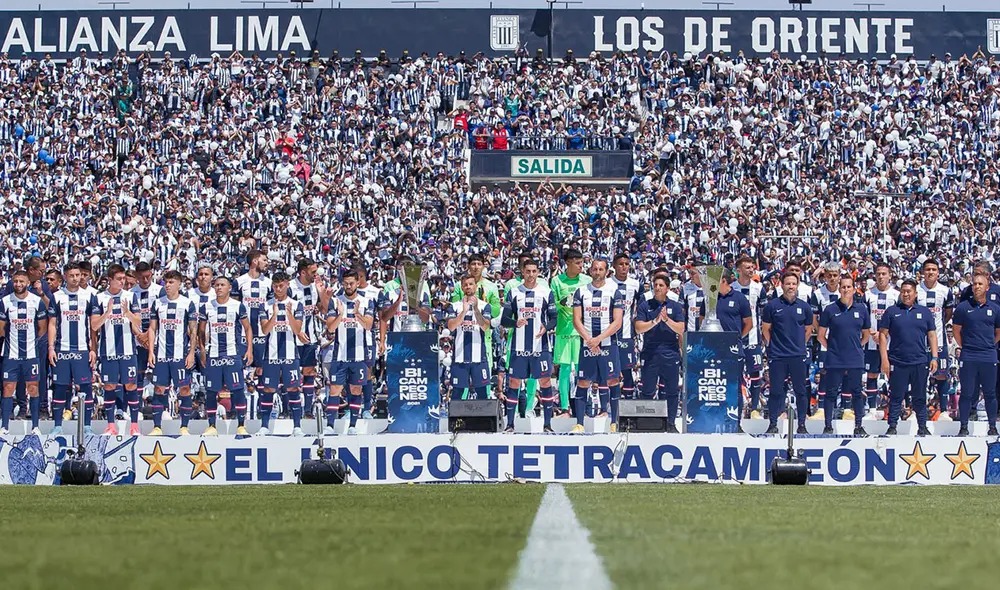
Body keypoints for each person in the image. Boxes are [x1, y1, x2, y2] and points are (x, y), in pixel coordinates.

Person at [499, 260, 557, 432]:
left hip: (541, 346)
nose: (531, 274)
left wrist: (546, 327)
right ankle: (510, 424)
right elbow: (504, 320)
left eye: (534, 271)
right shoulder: (514, 292)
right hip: (519, 347)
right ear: (522, 272)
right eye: (528, 271)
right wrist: (515, 322)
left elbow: (554, 318)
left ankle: (547, 425)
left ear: (538, 271)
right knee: (514, 383)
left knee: (545, 381)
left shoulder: (546, 292)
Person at [878, 279, 937, 436]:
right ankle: (892, 426)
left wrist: (935, 357)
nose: (905, 294)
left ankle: (922, 427)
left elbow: (932, 335)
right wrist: (884, 359)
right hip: (898, 361)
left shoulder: (925, 312)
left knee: (919, 396)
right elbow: (882, 335)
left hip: (919, 361)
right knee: (896, 396)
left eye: (909, 291)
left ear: (915, 293)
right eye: (903, 291)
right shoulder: (891, 311)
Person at [571, 259, 623, 433]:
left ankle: (614, 422)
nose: (597, 271)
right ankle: (579, 424)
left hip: (608, 343)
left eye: (601, 269)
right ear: (590, 271)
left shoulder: (614, 292)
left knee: (613, 380)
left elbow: (618, 321)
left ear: (606, 271)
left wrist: (598, 339)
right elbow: (576, 320)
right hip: (587, 344)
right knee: (584, 382)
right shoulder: (581, 292)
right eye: (594, 269)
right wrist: (589, 340)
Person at [91, 264, 143, 435]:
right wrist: (107, 313)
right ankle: (110, 425)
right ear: (110, 280)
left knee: (130, 385)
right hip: (108, 351)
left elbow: (137, 322)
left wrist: (127, 312)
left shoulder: (130, 296)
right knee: (110, 385)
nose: (123, 282)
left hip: (128, 350)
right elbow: (94, 325)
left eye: (124, 278)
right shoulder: (98, 298)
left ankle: (134, 426)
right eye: (119, 279)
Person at [198, 276, 253, 436]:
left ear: (229, 287)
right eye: (216, 285)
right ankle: (211, 426)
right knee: (211, 391)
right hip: (213, 355)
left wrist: (249, 350)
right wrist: (202, 350)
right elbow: (201, 331)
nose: (219, 288)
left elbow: (248, 328)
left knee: (238, 390)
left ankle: (241, 425)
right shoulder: (207, 307)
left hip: (232, 354)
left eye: (222, 285)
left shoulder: (238, 306)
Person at [761, 272, 814, 434]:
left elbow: (808, 330)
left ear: (797, 286)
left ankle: (802, 425)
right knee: (776, 391)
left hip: (797, 356)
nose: (791, 287)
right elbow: (766, 330)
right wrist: (775, 345)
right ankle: (772, 424)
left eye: (793, 284)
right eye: (788, 284)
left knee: (801, 391)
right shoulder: (772, 306)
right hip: (777, 356)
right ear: (781, 285)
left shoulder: (804, 307)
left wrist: (799, 345)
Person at [817, 275, 871, 436]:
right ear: (839, 289)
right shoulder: (830, 309)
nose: (846, 290)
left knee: (856, 392)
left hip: (855, 358)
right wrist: (833, 348)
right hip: (835, 358)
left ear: (854, 289)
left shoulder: (861, 309)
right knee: (831, 392)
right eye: (843, 287)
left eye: (849, 287)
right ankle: (828, 426)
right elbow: (820, 335)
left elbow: (866, 335)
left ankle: (859, 426)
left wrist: (856, 346)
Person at [49, 262, 99, 434]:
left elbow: (93, 326)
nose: (76, 278)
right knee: (60, 387)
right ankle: (57, 426)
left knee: (85, 387)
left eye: (78, 275)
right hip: (61, 349)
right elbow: (53, 324)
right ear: (65, 276)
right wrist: (50, 348)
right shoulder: (56, 296)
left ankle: (86, 426)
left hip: (82, 349)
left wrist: (93, 349)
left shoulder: (90, 296)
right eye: (72, 275)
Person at [147, 270, 198, 436]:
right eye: (165, 282)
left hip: (179, 354)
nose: (167, 286)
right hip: (161, 354)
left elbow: (193, 330)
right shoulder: (158, 303)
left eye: (171, 283)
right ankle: (157, 427)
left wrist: (191, 353)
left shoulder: (187, 303)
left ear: (179, 284)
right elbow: (152, 328)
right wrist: (150, 352)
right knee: (159, 388)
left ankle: (184, 426)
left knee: (184, 389)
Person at [324, 270, 374, 435]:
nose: (348, 286)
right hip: (339, 355)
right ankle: (330, 425)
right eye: (345, 283)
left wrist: (357, 313)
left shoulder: (366, 301)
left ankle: (353, 425)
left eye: (351, 283)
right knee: (334, 390)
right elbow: (330, 328)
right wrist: (341, 314)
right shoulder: (335, 301)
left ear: (358, 283)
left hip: (359, 355)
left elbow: (368, 325)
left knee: (356, 390)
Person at [634, 274, 686, 432]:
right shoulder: (645, 305)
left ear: (668, 288)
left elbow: (681, 329)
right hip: (650, 353)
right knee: (648, 390)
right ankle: (648, 423)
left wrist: (666, 320)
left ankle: (670, 423)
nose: (657, 288)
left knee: (671, 391)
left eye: (661, 285)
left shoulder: (675, 307)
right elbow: (638, 328)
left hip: (670, 352)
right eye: (655, 284)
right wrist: (655, 321)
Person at [259, 272, 307, 436]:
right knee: (268, 389)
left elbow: (297, 329)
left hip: (290, 354)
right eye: (275, 286)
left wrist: (288, 314)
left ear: (287, 285)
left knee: (293, 387)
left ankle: (297, 427)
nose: (278, 289)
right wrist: (274, 314)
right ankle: (264, 426)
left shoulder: (296, 305)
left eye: (281, 285)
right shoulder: (265, 305)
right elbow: (265, 330)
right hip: (270, 355)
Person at [952, 270, 1000, 436]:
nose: (977, 286)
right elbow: (956, 331)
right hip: (969, 355)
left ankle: (992, 427)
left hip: (988, 355)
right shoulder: (963, 308)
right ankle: (963, 427)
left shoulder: (995, 309)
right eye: (974, 284)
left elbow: (998, 333)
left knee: (990, 393)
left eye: (980, 284)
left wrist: (987, 345)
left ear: (987, 287)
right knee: (966, 392)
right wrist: (966, 346)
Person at [700, 268, 752, 420]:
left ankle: (736, 421)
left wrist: (737, 339)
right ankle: (712, 419)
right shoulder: (709, 298)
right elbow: (702, 319)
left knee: (734, 386)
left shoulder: (739, 298)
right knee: (712, 385)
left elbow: (748, 323)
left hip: (733, 349)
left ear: (723, 281)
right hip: (712, 349)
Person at [0, 270, 48, 435]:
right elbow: (1, 329)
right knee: (7, 387)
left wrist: (31, 343)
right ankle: (4, 427)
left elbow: (42, 328)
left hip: (31, 353)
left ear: (28, 282)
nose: (18, 284)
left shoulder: (36, 301)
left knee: (33, 387)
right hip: (10, 353)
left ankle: (35, 427)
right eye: (16, 281)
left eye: (21, 281)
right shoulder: (5, 302)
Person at [450, 253, 502, 398]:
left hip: (483, 336)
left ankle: (482, 417)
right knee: (461, 386)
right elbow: (454, 306)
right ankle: (461, 417)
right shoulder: (457, 286)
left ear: (484, 265)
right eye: (473, 264)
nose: (476, 267)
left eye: (479, 264)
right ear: (468, 266)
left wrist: (482, 303)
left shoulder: (491, 286)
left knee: (483, 383)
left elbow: (496, 310)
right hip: (462, 336)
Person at [550, 249, 591, 417]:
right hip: (564, 330)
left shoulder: (587, 280)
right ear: (568, 263)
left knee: (584, 370)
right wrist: (562, 303)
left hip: (584, 331)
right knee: (565, 369)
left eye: (582, 262)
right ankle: (565, 408)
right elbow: (551, 306)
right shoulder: (557, 281)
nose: (581, 266)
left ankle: (584, 407)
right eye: (578, 263)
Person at [289, 258, 331, 417]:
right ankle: (292, 411)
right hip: (292, 338)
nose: (316, 274)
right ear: (303, 272)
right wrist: (297, 330)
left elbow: (324, 309)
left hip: (311, 337)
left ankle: (307, 410)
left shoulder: (316, 287)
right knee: (292, 375)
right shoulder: (291, 287)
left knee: (309, 372)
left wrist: (323, 294)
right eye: (313, 272)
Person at [234, 250, 272, 411]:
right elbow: (234, 308)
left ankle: (264, 411)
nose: (267, 262)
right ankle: (239, 410)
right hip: (243, 334)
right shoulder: (239, 281)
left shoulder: (269, 283)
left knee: (263, 372)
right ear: (255, 261)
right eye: (264, 259)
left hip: (263, 335)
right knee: (239, 371)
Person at [448, 275, 493, 408]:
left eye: (471, 284)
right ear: (462, 288)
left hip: (479, 357)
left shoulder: (485, 306)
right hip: (459, 357)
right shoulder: (454, 306)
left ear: (476, 286)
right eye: (466, 284)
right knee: (457, 392)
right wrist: (464, 311)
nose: (468, 287)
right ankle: (455, 424)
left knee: (481, 392)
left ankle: (484, 422)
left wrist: (476, 309)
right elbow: (451, 326)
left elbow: (485, 326)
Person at [916, 258, 955, 417]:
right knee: (918, 376)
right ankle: (916, 410)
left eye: (933, 269)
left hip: (938, 339)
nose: (930, 272)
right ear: (922, 272)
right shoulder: (916, 290)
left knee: (941, 374)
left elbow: (948, 314)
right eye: (928, 269)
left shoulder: (945, 291)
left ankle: (944, 411)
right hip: (917, 341)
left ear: (938, 272)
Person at [863, 262, 899, 414]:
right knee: (872, 373)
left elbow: (900, 319)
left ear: (890, 275)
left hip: (892, 342)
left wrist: (885, 334)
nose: (881, 277)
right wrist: (873, 333)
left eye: (884, 274)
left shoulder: (897, 295)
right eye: (878, 274)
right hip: (872, 342)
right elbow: (863, 318)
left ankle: (895, 408)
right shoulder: (868, 294)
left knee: (894, 374)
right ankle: (871, 408)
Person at [734, 257, 766, 418]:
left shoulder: (759, 288)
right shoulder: (731, 288)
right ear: (738, 270)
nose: (751, 270)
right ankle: (736, 408)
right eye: (747, 267)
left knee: (755, 373)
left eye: (752, 267)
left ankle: (754, 408)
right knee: (735, 374)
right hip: (735, 340)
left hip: (753, 339)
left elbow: (764, 314)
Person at [609, 253, 641, 402]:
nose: (624, 267)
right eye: (621, 264)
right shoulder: (607, 283)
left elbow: (639, 308)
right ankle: (609, 404)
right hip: (608, 335)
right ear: (614, 266)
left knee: (627, 371)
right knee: (609, 371)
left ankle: (627, 403)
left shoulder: (635, 284)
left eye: (627, 264)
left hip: (627, 334)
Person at [130, 261, 164, 394]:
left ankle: (162, 409)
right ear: (136, 276)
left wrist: (149, 335)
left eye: (148, 276)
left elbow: (162, 317)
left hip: (156, 339)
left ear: (151, 274)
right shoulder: (131, 293)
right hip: (138, 340)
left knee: (159, 376)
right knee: (137, 376)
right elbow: (129, 317)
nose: (145, 280)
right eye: (141, 277)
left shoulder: (159, 291)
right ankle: (135, 409)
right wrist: (139, 335)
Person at [353, 263, 382, 419]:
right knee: (351, 373)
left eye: (359, 277)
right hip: (349, 339)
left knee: (367, 372)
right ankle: (353, 409)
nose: (356, 281)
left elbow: (382, 318)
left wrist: (382, 339)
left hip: (367, 338)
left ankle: (367, 407)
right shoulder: (344, 292)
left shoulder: (375, 293)